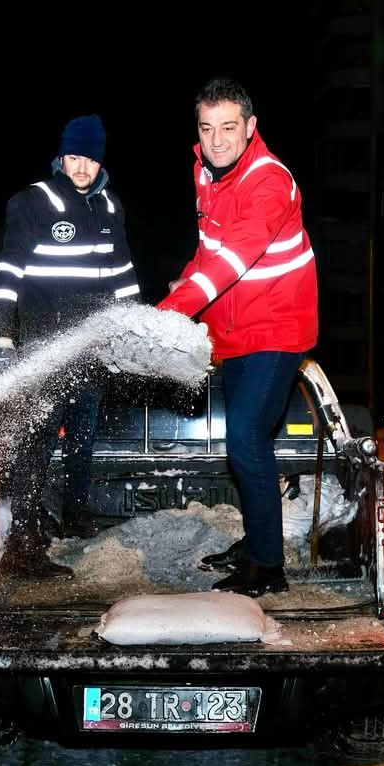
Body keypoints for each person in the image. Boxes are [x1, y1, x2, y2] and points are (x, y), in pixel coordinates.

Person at [157, 77, 318, 597]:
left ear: (250, 128)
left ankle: (268, 567)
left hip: (278, 327)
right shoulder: (205, 172)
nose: (217, 139)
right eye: (207, 129)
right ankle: (256, 544)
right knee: (246, 444)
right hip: (234, 329)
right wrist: (184, 282)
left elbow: (234, 258)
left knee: (246, 439)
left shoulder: (270, 181)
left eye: (229, 127)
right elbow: (209, 249)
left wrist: (171, 312)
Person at [0, 113, 140, 577]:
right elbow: (7, 274)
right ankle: (23, 548)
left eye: (90, 159)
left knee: (81, 439)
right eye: (74, 157)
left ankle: (73, 516)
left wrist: (138, 333)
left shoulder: (110, 207)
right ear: (61, 156)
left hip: (88, 351)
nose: (81, 168)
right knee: (33, 446)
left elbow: (122, 276)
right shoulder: (34, 202)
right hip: (42, 347)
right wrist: (2, 338)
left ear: (101, 162)